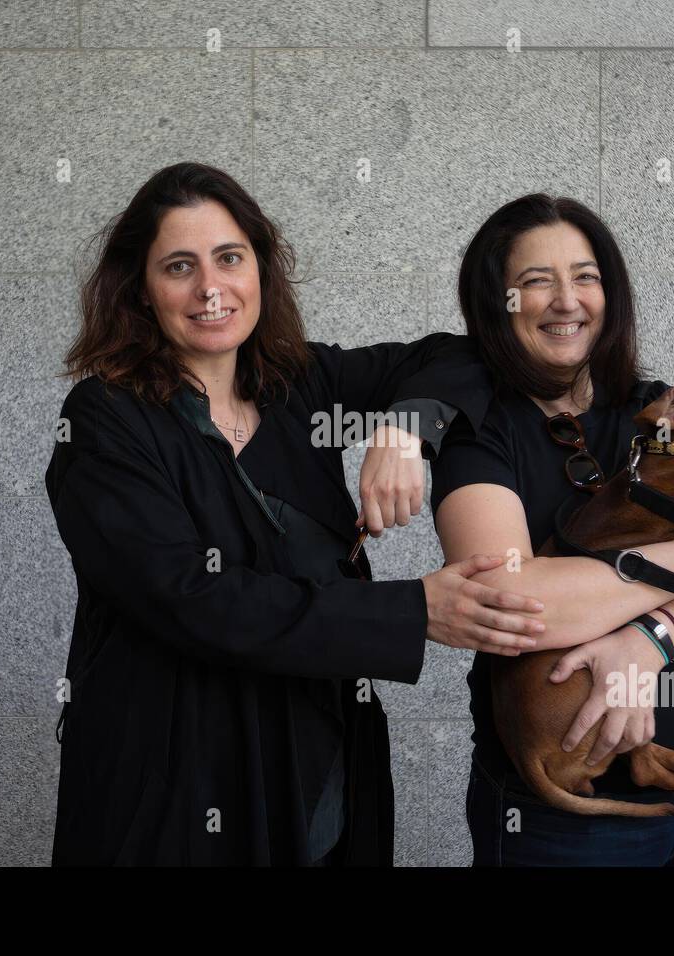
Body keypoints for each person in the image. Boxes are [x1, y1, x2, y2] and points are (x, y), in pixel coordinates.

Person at [44, 162, 546, 866]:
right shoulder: (103, 421)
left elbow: (462, 356)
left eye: (229, 259)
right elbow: (190, 597)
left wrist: (406, 429)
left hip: (321, 760)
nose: (210, 289)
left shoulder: (299, 385)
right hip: (176, 777)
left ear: (260, 268)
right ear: (139, 289)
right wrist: (410, 612)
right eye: (179, 267)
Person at [430, 193, 674, 866]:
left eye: (586, 276)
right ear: (497, 303)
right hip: (566, 819)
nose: (567, 299)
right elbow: (512, 605)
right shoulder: (477, 438)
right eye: (536, 281)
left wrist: (652, 641)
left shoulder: (656, 409)